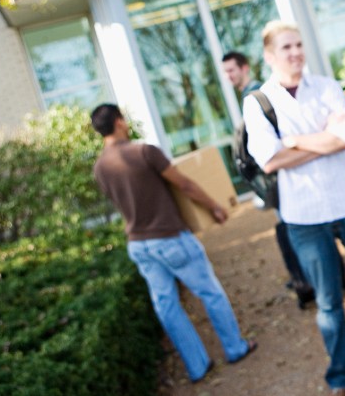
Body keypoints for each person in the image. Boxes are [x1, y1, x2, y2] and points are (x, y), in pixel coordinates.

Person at [242, 21, 345, 396]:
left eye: (299, 45)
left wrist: (291, 141)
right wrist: (323, 138)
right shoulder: (259, 102)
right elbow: (269, 161)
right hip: (304, 216)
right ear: (270, 56)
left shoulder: (326, 87)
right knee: (328, 303)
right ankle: (341, 375)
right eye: (286, 48)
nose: (295, 53)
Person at [90, 104, 256, 383]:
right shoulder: (144, 152)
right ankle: (235, 347)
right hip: (169, 238)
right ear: (119, 122)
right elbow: (184, 184)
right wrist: (214, 205)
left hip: (139, 245)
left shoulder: (100, 168)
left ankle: (197, 366)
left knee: (166, 306)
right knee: (210, 292)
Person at [222, 50, 345, 309]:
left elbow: (279, 151)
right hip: (285, 174)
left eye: (231, 70)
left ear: (245, 67)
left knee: (313, 228)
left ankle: (327, 284)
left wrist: (299, 148)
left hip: (292, 178)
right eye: (225, 72)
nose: (228, 76)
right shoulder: (254, 97)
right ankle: (333, 281)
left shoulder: (262, 97)